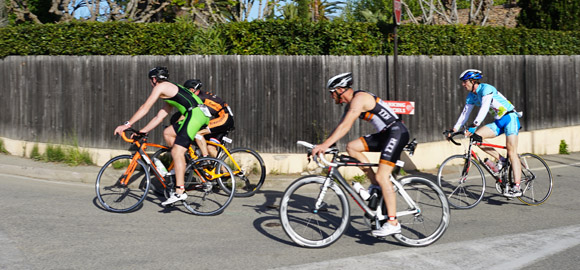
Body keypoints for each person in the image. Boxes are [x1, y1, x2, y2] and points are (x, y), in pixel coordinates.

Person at [311, 72, 410, 237]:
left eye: (332, 93)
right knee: (352, 147)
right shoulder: (350, 105)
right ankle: (376, 187)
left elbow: (346, 126)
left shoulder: (359, 98)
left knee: (383, 176)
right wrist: (325, 147)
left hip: (396, 132)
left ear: (340, 90)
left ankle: (393, 222)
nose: (331, 96)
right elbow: (340, 127)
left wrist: (324, 145)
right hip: (386, 134)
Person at [114, 67, 209, 206]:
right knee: (168, 133)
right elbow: (159, 116)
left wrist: (126, 124)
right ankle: (183, 162)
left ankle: (179, 191)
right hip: (200, 114)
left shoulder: (160, 87)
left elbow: (145, 108)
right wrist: (143, 131)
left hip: (194, 115)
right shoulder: (171, 89)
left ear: (153, 79)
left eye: (150, 80)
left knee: (177, 151)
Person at [451, 69, 522, 197]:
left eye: (464, 82)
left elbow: (484, 108)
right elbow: (465, 113)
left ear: (473, 81)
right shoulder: (471, 96)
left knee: (512, 152)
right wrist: (454, 129)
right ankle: (501, 160)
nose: (463, 84)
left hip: (510, 118)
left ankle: (517, 187)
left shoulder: (486, 89)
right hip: (499, 122)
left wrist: (475, 124)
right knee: (476, 138)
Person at [182, 79, 235, 158]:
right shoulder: (201, 95)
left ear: (192, 90)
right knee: (211, 148)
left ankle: (205, 158)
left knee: (198, 134)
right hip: (224, 119)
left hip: (224, 118)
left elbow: (191, 113)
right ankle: (224, 169)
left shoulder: (199, 98)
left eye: (186, 90)